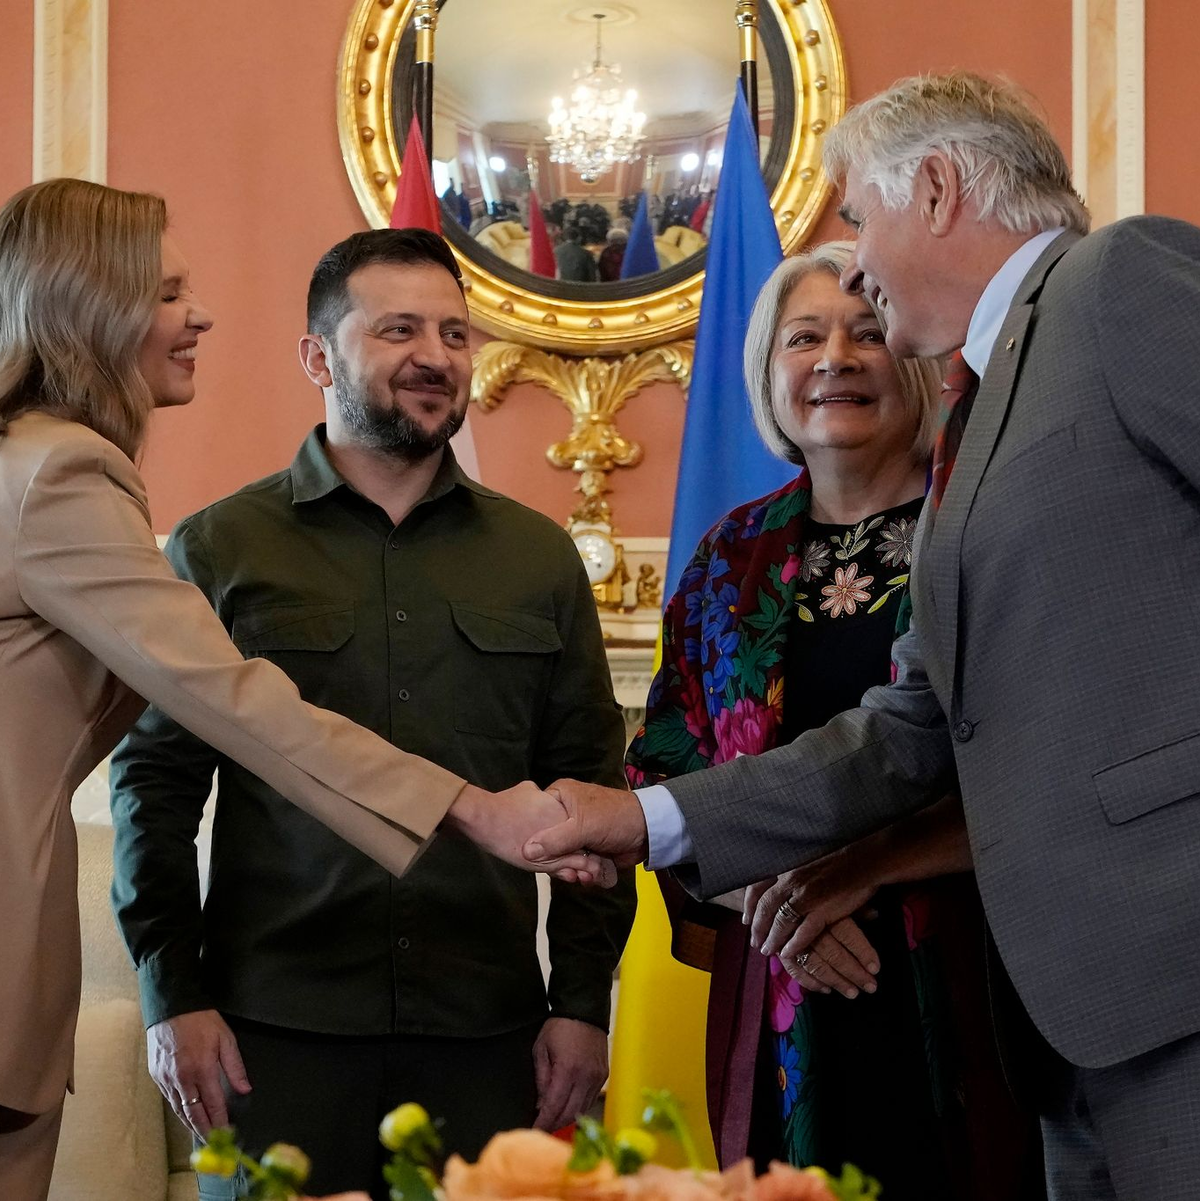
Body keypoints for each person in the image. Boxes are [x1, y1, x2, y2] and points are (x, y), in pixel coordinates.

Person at [530, 70, 1200, 1200]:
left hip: (1171, 967)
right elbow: (911, 732)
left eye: (858, 217)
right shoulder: (978, 417)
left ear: (935, 189)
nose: (859, 258)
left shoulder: (1112, 283)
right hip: (1070, 1025)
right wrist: (644, 817)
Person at [0, 179, 608, 1201]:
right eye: (166, 294)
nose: (199, 315)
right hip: (275, 1024)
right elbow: (232, 710)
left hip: (484, 1019)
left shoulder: (539, 555)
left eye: (454, 331)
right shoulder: (74, 479)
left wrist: (582, 996)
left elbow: (589, 762)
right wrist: (471, 808)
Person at [625, 242, 1038, 1199]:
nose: (834, 358)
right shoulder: (728, 559)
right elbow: (661, 774)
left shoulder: (983, 529)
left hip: (977, 968)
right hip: (783, 987)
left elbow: (1038, 759)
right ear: (768, 376)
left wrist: (853, 876)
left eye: (864, 331)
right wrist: (782, 906)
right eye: (803, 337)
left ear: (917, 356)